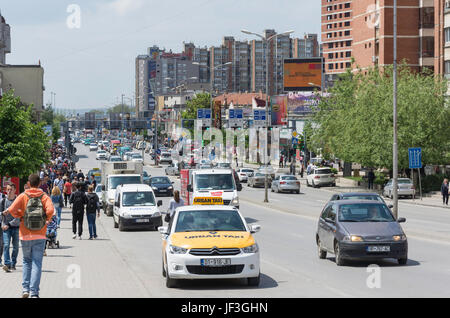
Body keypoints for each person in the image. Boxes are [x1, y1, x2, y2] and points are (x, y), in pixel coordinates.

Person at [2, 174, 54, 298]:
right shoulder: (44, 196)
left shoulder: (23, 195)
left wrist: (19, 215)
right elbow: (51, 210)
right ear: (40, 183)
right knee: (37, 263)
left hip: (25, 234)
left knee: (26, 261)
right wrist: (46, 220)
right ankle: (34, 293)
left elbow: (12, 209)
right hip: (40, 234)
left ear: (29, 184)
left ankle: (25, 289)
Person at [1, 184, 19, 272]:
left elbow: (18, 217)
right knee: (6, 245)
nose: (9, 191)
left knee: (16, 247)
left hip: (16, 227)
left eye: (11, 189)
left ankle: (13, 263)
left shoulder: (18, 201)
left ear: (15, 190)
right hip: (5, 227)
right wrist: (2, 223)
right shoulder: (3, 201)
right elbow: (0, 214)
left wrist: (9, 224)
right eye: (7, 190)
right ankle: (7, 264)